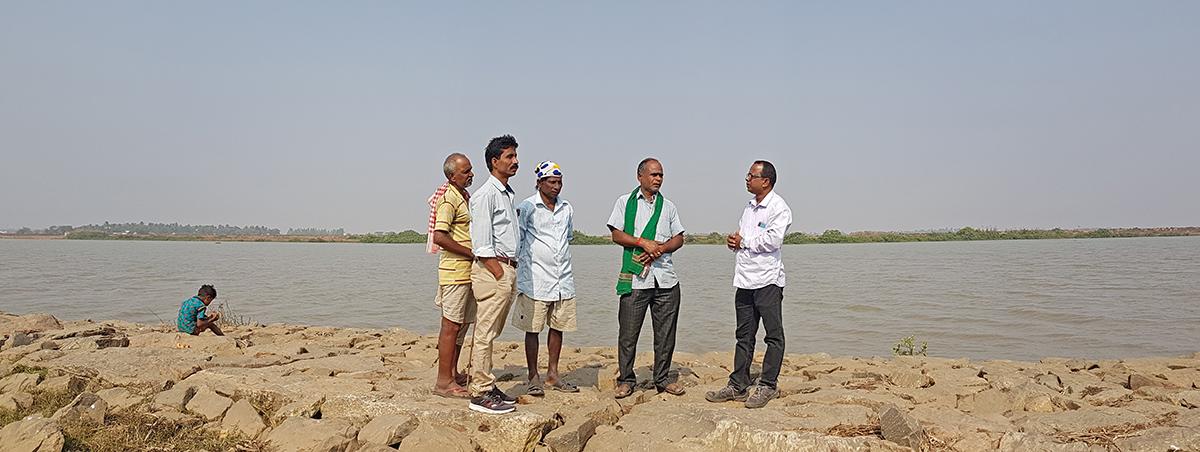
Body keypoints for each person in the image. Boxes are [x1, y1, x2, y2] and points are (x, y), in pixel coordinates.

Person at [706, 160, 792, 409]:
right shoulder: (749, 207)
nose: (746, 179)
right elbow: (746, 237)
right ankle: (738, 386)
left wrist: (743, 241)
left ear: (765, 181)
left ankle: (768, 385)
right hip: (745, 279)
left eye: (751, 175)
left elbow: (773, 241)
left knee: (773, 335)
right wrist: (734, 241)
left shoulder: (779, 208)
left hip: (768, 280)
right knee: (744, 335)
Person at [606, 158, 686, 398]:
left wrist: (658, 250)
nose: (658, 179)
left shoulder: (668, 206)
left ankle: (662, 379)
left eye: (660, 175)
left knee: (665, 335)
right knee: (628, 334)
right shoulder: (624, 202)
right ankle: (626, 379)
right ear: (640, 176)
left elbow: (679, 238)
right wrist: (643, 243)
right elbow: (617, 235)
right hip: (635, 279)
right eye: (653, 175)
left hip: (666, 280)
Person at [512, 161, 579, 396]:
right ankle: (533, 376)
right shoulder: (527, 208)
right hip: (535, 279)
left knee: (558, 327)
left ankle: (553, 374)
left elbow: (567, 237)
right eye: (551, 182)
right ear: (539, 183)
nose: (556, 187)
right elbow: (517, 240)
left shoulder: (566, 208)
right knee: (532, 328)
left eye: (559, 182)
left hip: (562, 279)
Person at [467, 134, 521, 414]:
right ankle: (479, 392)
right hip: (494, 270)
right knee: (485, 332)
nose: (515, 161)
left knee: (492, 331)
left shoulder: (506, 194)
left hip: (506, 269)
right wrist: (499, 272)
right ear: (494, 161)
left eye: (515, 156)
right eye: (510, 156)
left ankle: (486, 381)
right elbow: (481, 243)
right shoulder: (485, 195)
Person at [428, 153, 476, 399]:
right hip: (455, 272)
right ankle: (443, 381)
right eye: (466, 171)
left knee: (462, 325)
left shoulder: (462, 197)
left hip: (466, 272)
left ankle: (453, 373)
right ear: (451, 176)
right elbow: (440, 236)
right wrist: (471, 253)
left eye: (470, 170)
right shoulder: (448, 199)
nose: (470, 174)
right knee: (451, 325)